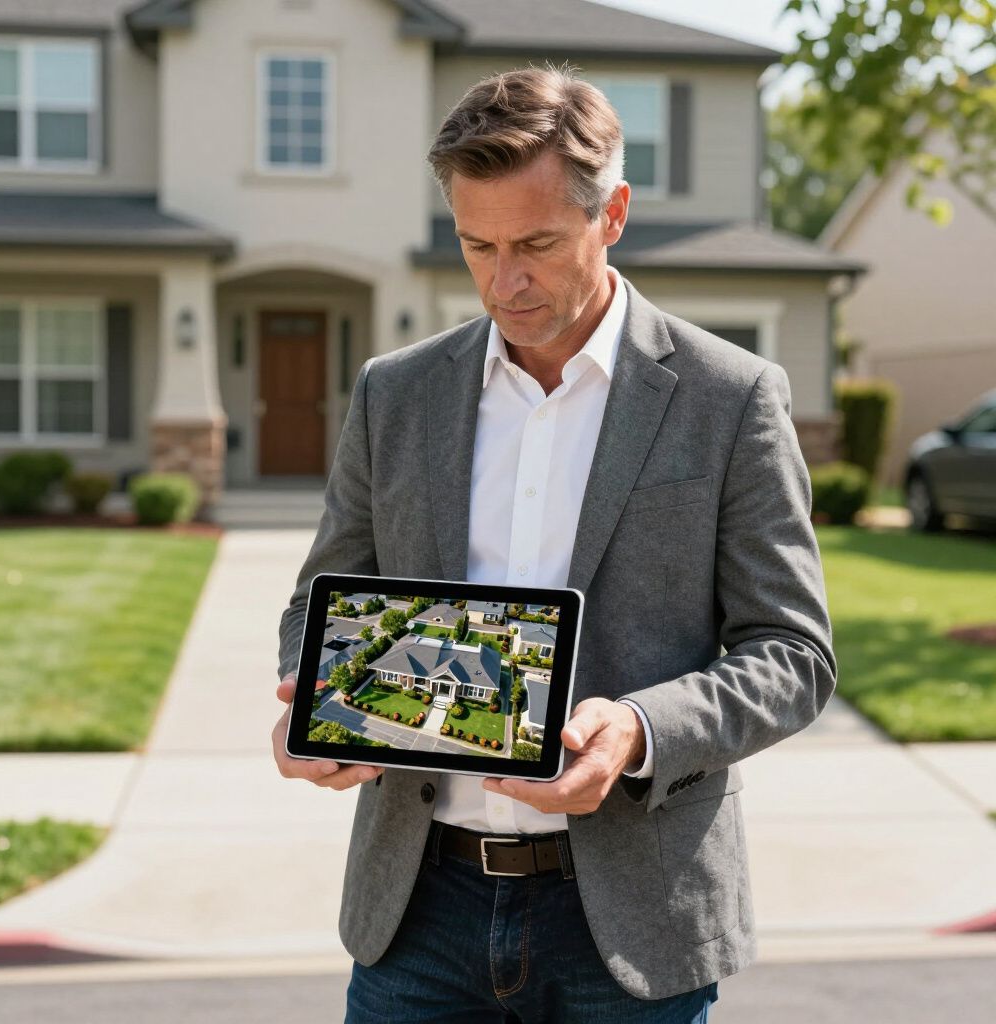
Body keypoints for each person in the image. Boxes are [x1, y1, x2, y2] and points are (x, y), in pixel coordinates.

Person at [274, 66, 835, 1023]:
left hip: (632, 920)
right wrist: (315, 700)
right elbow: (320, 598)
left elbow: (794, 655)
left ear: (612, 214)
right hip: (419, 911)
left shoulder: (730, 396)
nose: (506, 280)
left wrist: (640, 731)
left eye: (536, 243)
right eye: (476, 244)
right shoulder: (393, 392)